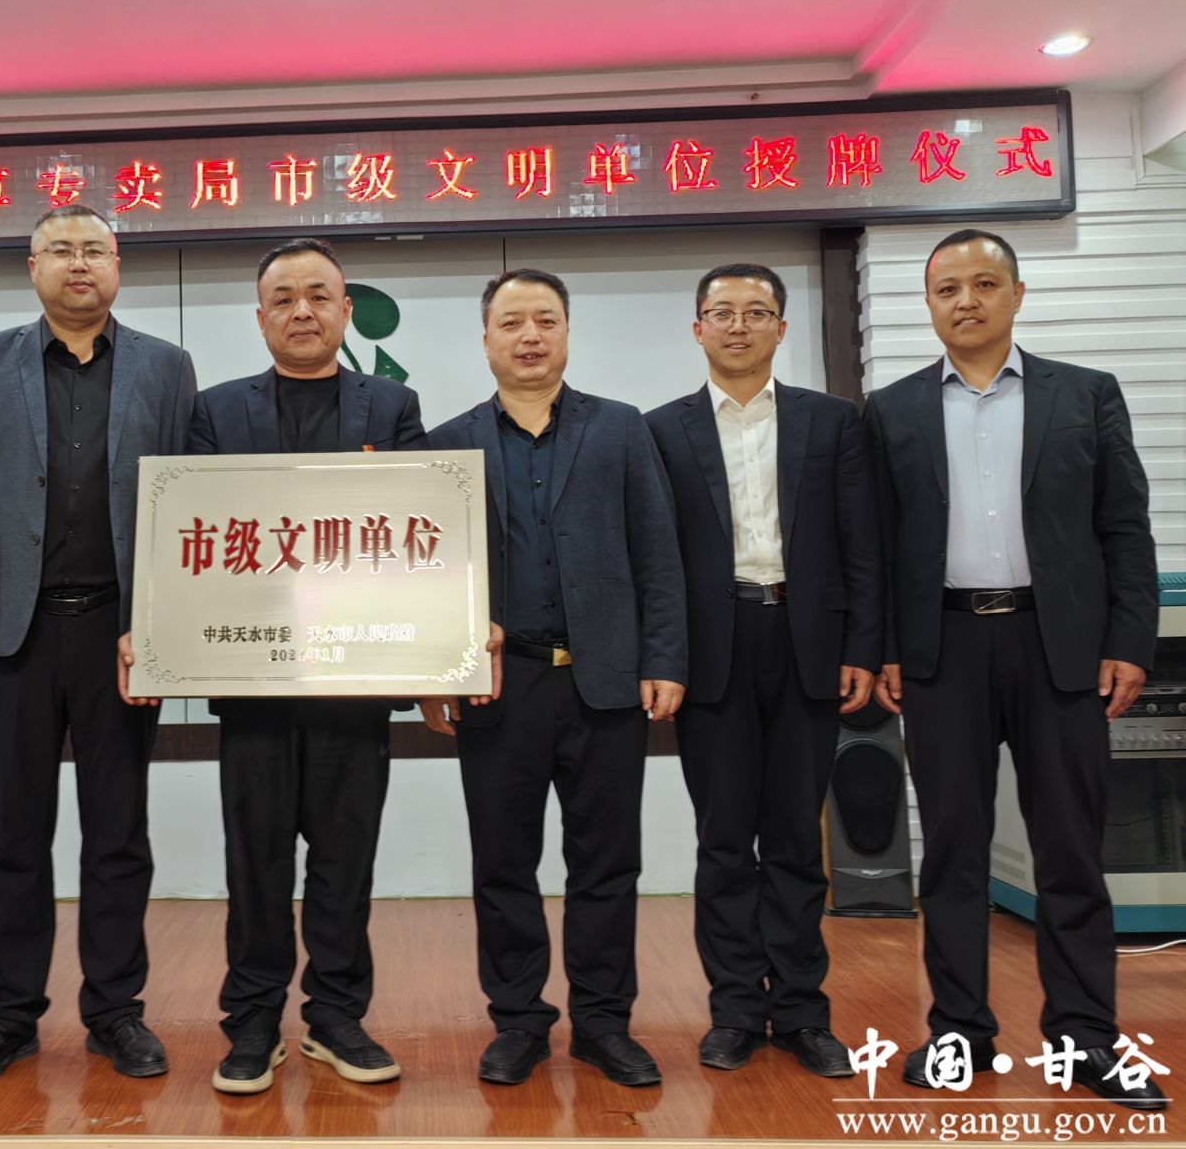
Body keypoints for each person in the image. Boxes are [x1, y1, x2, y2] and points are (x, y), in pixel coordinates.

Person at [867, 229, 1162, 1109]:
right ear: (929, 305)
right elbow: (876, 545)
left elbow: (1125, 526)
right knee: (952, 853)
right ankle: (960, 1033)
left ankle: (1086, 1040)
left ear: (1017, 295)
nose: (966, 301)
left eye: (984, 284)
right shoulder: (891, 410)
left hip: (1059, 647)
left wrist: (1129, 640)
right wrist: (885, 646)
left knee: (1070, 852)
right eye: (947, 288)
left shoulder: (1086, 394)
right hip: (944, 650)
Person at [0, 205, 197, 1086]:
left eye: (94, 250)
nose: (78, 264)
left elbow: (184, 501)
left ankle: (115, 1012)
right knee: (14, 832)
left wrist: (162, 627)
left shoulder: (165, 366)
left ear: (117, 265)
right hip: (15, 634)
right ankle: (8, 1016)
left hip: (121, 635)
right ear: (33, 266)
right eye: (60, 250)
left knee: (118, 832)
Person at [420, 267, 686, 1089]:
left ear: (567, 332)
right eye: (512, 323)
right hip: (499, 687)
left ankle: (604, 1024)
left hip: (605, 683)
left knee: (607, 863)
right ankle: (518, 1022)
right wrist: (433, 672)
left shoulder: (620, 428)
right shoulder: (447, 444)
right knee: (503, 863)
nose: (529, 336)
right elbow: (427, 575)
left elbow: (658, 552)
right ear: (486, 340)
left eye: (545, 320)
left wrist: (663, 659)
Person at [185, 236, 427, 1095]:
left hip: (355, 680)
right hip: (252, 679)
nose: (302, 312)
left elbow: (420, 533)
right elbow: (193, 540)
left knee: (344, 860)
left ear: (346, 311)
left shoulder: (392, 409)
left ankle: (336, 1016)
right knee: (254, 861)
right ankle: (253, 1022)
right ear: (259, 317)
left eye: (319, 296)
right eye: (283, 298)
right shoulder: (215, 412)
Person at [644, 263, 881, 1078]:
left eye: (756, 312)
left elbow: (863, 543)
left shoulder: (832, 421)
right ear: (697, 328)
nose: (738, 326)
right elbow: (654, 560)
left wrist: (862, 647)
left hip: (807, 642)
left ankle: (804, 1012)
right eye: (722, 312)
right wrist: (661, 656)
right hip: (712, 651)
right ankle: (737, 1010)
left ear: (781, 327)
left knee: (794, 838)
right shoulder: (661, 430)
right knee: (722, 840)